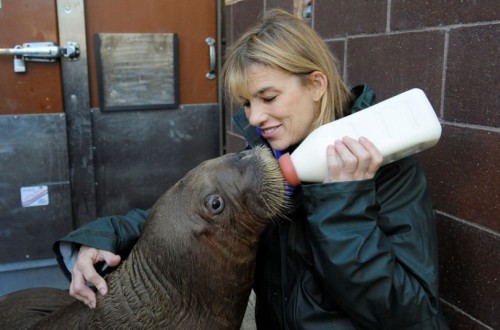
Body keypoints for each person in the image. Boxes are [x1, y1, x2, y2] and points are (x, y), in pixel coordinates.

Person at [54, 9, 449, 329]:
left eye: (268, 97)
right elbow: (189, 213)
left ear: (316, 84)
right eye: (246, 103)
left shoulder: (393, 174)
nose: (256, 117)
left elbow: (412, 315)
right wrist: (100, 238)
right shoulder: (272, 154)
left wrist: (345, 202)